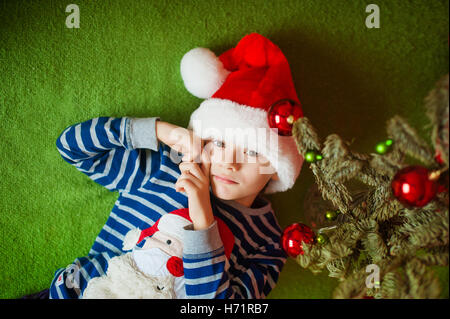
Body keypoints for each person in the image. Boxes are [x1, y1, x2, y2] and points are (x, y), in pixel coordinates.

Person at [49, 33, 305, 299]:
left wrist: (203, 221)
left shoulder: (268, 243)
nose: (229, 163)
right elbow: (71, 147)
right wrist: (161, 132)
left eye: (253, 151)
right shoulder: (165, 167)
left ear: (277, 166)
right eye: (217, 142)